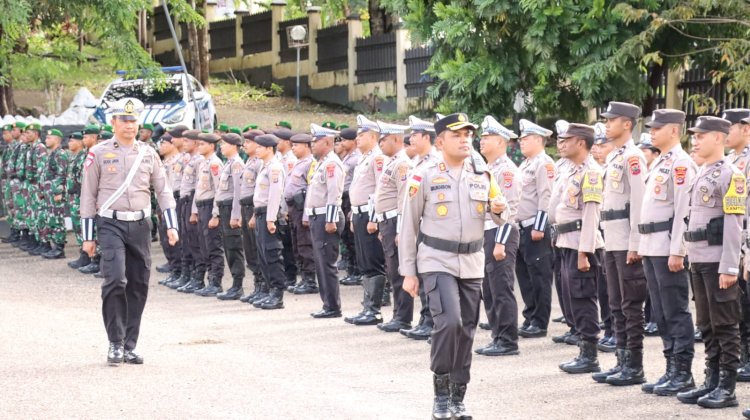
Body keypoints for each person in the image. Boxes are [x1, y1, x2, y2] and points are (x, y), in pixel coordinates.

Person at [400, 113, 507, 420]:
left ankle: (459, 396)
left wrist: (500, 210)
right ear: (440, 141)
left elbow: (500, 212)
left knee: (468, 330)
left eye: (468, 135)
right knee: (449, 323)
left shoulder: (481, 173)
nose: (464, 139)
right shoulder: (425, 175)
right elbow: (408, 224)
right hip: (436, 260)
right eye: (457, 134)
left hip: (472, 263)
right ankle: (441, 395)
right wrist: (409, 271)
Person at [80, 97, 179, 365]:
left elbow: (164, 190)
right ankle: (114, 341)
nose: (129, 125)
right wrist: (88, 236)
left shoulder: (148, 153)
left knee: (138, 284)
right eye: (124, 120)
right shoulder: (98, 153)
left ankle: (129, 344)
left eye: (133, 120)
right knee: (115, 280)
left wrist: (172, 225)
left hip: (140, 225)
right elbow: (88, 195)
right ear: (113, 122)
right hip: (109, 224)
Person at [675, 116, 744, 408]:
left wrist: (729, 267)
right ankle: (711, 380)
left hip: (718, 262)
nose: (696, 140)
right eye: (695, 135)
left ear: (718, 137)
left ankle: (727, 387)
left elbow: (734, 223)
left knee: (725, 324)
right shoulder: (701, 172)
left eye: (701, 135)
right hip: (699, 259)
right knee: (706, 324)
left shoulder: (731, 174)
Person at [638, 109, 697, 396]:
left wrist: (678, 251)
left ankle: (683, 373)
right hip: (652, 246)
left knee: (675, 310)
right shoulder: (661, 161)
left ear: (674, 130)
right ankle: (670, 368)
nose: (652, 131)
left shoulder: (682, 164)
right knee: (660, 312)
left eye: (657, 127)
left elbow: (684, 210)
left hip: (667, 247)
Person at [594, 102, 650, 386]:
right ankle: (621, 360)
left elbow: (639, 202)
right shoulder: (614, 156)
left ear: (627, 124)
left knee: (630, 305)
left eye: (611, 120)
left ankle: (635, 365)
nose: (606, 124)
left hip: (627, 239)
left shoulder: (633, 157)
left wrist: (636, 244)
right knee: (616, 303)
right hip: (612, 239)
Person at [549, 123, 605, 374]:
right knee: (572, 298)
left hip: (581, 245)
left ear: (581, 142)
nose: (561, 144)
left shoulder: (591, 172)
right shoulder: (571, 170)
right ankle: (583, 349)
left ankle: (589, 354)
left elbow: (591, 214)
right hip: (566, 241)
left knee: (583, 299)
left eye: (566, 140)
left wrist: (585, 251)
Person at [474, 115, 521, 356]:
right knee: (489, 289)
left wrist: (500, 243)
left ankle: (508, 341)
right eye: (481, 138)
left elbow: (509, 210)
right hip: (487, 233)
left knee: (501, 289)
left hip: (500, 233)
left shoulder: (506, 171)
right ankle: (497, 336)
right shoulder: (487, 169)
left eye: (487, 137)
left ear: (501, 142)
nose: (482, 142)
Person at [399, 115, 441, 341]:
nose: (410, 139)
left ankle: (432, 322)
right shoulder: (417, 162)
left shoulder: (435, 162)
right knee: (422, 275)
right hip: (417, 228)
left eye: (414, 135)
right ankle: (425, 319)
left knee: (430, 277)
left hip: (430, 229)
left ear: (426, 137)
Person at [345, 115, 388, 326]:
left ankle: (374, 310)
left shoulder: (377, 158)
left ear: (373, 137)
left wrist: (373, 218)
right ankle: (367, 306)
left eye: (361, 135)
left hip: (370, 214)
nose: (357, 138)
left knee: (373, 261)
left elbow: (380, 189)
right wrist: (354, 214)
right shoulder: (363, 157)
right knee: (363, 262)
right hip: (359, 213)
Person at [515, 119, 555, 338]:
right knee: (524, 276)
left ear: (538, 140)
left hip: (534, 227)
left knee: (539, 277)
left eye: (526, 138)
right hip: (521, 227)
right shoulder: (525, 164)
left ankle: (540, 322)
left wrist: (539, 227)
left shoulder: (544, 163)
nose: (521, 142)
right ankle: (530, 316)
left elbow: (546, 196)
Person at [372, 120, 412, 332]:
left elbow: (404, 198)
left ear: (396, 139)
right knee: (392, 270)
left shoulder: (402, 163)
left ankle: (403, 317)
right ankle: (398, 314)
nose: (380, 144)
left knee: (399, 271)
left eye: (384, 139)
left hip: (397, 220)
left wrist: (400, 230)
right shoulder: (392, 162)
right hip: (388, 220)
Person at [720, 109, 750, 382]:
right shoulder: (730, 161)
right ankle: (744, 356)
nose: (726, 133)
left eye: (730, 127)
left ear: (746, 129)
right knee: (740, 306)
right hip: (737, 244)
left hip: (747, 245)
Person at [305, 124, 345, 319]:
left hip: (326, 218)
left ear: (327, 142)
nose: (312, 144)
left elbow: (333, 194)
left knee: (327, 263)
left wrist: (330, 220)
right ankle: (327, 303)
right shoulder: (322, 163)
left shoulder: (331, 164)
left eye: (315, 141)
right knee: (320, 262)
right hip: (317, 216)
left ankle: (333, 306)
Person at [249, 134, 287, 310]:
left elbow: (275, 195)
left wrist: (271, 219)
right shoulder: (265, 167)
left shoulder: (275, 168)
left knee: (272, 255)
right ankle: (270, 290)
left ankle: (277, 294)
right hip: (260, 213)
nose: (256, 150)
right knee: (263, 255)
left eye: (259, 147)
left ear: (268, 149)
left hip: (268, 214)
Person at [209, 133, 247, 300]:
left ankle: (238, 285)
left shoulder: (237, 164)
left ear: (233, 146)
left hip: (231, 209)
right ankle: (234, 284)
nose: (221, 147)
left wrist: (236, 215)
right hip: (224, 209)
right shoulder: (228, 164)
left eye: (224, 144)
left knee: (234, 248)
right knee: (229, 247)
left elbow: (239, 192)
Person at [190, 133, 225, 297]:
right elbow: (198, 189)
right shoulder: (204, 163)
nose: (199, 147)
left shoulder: (215, 164)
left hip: (211, 206)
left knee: (213, 245)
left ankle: (216, 282)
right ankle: (209, 279)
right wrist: (195, 210)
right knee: (204, 245)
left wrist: (216, 214)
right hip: (201, 206)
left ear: (212, 146)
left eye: (202, 144)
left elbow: (219, 190)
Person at [284, 133, 317, 294]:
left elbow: (311, 189)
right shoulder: (298, 163)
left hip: (302, 207)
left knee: (305, 244)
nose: (293, 148)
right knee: (297, 244)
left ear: (306, 146)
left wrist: (306, 215)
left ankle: (310, 280)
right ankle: (303, 277)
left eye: (296, 145)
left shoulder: (311, 164)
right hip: (293, 208)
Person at [237, 129, 267, 304]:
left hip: (254, 208)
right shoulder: (249, 162)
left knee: (257, 249)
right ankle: (257, 285)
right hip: (245, 207)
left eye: (248, 142)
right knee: (249, 249)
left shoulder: (259, 164)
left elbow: (259, 192)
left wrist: (255, 214)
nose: (244, 145)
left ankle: (263, 286)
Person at [156, 132, 185, 286]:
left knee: (173, 237)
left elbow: (173, 187)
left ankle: (178, 269)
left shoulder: (177, 162)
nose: (161, 147)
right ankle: (174, 267)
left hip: (173, 201)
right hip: (163, 202)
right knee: (164, 237)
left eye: (164, 143)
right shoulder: (165, 162)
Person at [338, 127, 362, 286]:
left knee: (352, 236)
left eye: (345, 140)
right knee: (346, 235)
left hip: (350, 199)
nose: (342, 143)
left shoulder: (356, 158)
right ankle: (352, 269)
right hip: (343, 198)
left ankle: (357, 270)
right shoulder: (347, 158)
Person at [40, 129, 69, 259]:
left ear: (57, 139)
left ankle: (59, 248)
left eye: (49, 138)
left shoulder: (60, 154)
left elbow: (62, 175)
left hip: (55, 193)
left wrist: (58, 191)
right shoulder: (51, 154)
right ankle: (54, 245)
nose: (46, 140)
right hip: (49, 193)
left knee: (57, 219)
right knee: (50, 219)